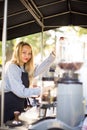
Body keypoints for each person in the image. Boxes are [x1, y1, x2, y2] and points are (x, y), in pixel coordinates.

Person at [0, 41, 56, 123]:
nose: (27, 56)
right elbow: (21, 92)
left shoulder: (24, 67)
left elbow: (38, 69)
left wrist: (52, 56)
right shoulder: (12, 67)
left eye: (29, 53)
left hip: (18, 106)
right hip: (8, 107)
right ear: (17, 52)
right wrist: (42, 90)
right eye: (24, 52)